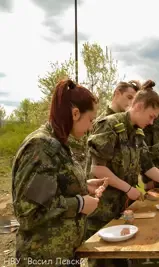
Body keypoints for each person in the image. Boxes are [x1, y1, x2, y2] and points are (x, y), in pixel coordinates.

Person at [86, 80, 159, 267]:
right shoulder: (109, 125)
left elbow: (148, 167)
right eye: (150, 116)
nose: (151, 122)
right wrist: (128, 189)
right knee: (102, 262)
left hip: (122, 209)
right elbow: (96, 169)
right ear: (139, 107)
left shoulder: (137, 134)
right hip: (103, 210)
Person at [12, 79, 105, 266]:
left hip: (62, 255)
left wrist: (83, 186)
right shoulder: (41, 146)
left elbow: (50, 189)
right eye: (90, 119)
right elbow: (28, 211)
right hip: (43, 259)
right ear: (75, 113)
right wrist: (79, 204)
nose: (91, 127)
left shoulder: (59, 143)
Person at [68, 80, 141, 168]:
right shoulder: (102, 122)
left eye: (134, 100)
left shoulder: (129, 126)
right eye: (129, 97)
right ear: (117, 93)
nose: (131, 103)